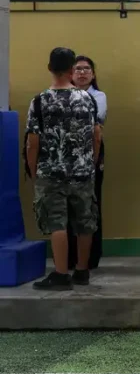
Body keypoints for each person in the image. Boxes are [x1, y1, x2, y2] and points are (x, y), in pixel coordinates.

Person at [26, 48, 101, 290]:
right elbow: (96, 135)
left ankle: (60, 274)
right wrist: (90, 162)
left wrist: (34, 170)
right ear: (71, 69)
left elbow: (32, 142)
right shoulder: (87, 99)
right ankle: (82, 271)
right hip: (83, 171)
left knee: (56, 222)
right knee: (85, 221)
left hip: (51, 172)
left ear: (49, 68)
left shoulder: (40, 101)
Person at [67, 55, 106, 271]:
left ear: (93, 74)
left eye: (86, 69)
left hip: (92, 148)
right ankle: (70, 256)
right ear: (70, 74)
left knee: (92, 201)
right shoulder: (62, 95)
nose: (82, 73)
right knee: (68, 204)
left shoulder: (98, 96)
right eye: (78, 69)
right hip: (68, 152)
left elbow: (95, 119)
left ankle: (91, 257)